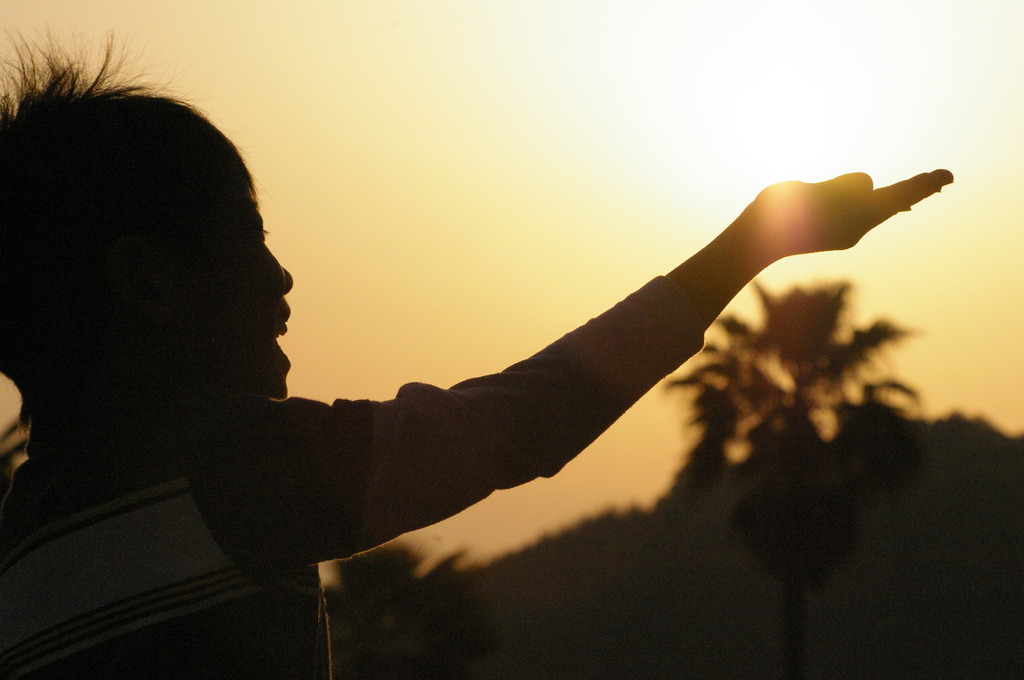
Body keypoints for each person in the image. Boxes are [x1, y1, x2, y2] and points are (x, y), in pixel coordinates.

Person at [0, 45, 952, 679]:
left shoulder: (21, 543)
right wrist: (748, 247)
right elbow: (508, 425)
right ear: (148, 280)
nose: (282, 279)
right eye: (248, 238)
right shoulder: (225, 468)